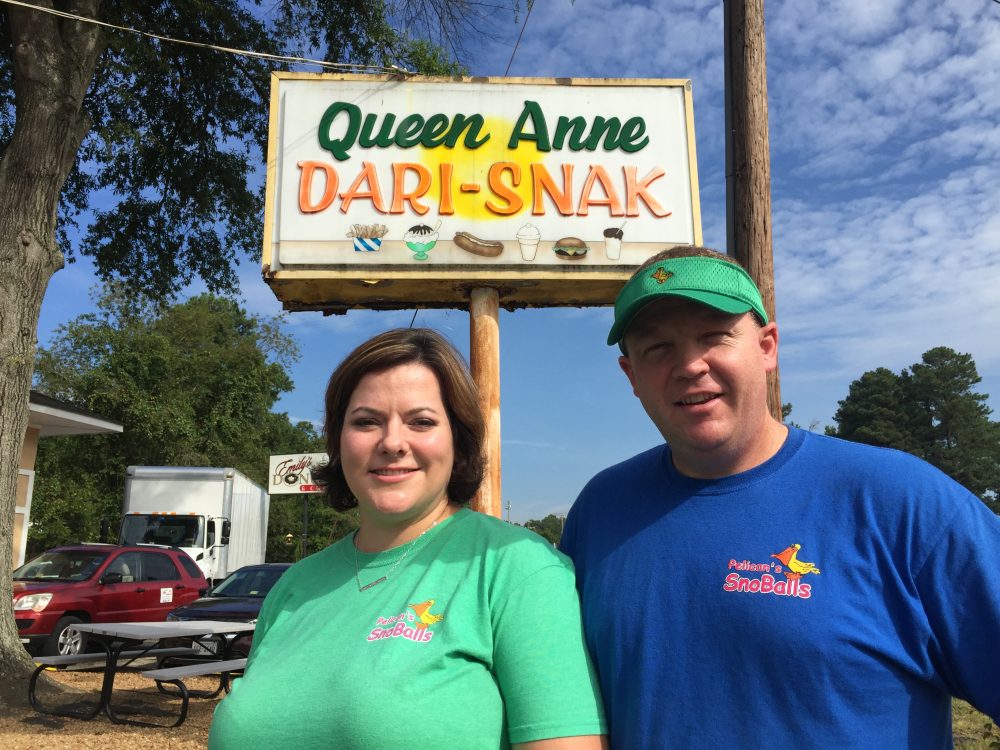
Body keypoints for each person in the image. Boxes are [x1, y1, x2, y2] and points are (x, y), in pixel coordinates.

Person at [560, 246, 1000, 748]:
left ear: (767, 347)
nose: (689, 365)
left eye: (714, 336)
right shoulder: (600, 510)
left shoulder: (902, 502)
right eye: (657, 347)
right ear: (631, 375)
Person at [209, 328, 606, 750]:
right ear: (338, 440)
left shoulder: (518, 568)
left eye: (421, 422)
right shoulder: (293, 588)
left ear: (459, 440)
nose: (392, 442)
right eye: (366, 421)